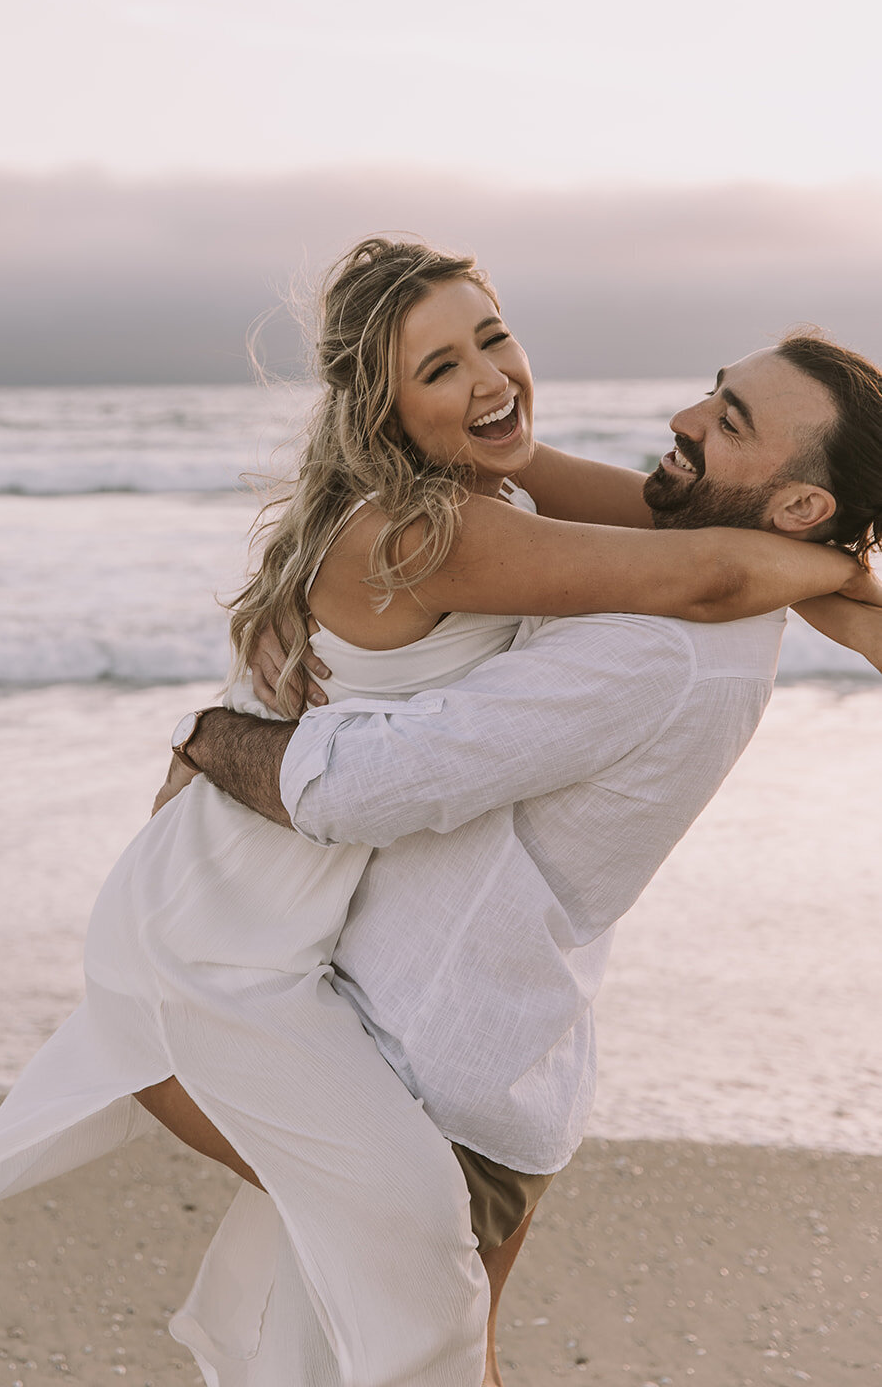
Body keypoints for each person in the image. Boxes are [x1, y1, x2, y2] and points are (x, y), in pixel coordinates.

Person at [0, 241, 875, 1387]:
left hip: (300, 926)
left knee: (396, 1307)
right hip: (222, 932)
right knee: (417, 1272)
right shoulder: (437, 530)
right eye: (437, 368)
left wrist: (835, 571)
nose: (489, 377)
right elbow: (713, 572)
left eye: (491, 337)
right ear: (384, 408)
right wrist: (206, 736)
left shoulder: (507, 498)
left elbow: (702, 549)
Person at [150, 327, 882, 1384]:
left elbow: (361, 790)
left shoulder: (663, 642)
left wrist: (208, 738)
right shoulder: (686, 580)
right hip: (487, 1066)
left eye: (728, 424)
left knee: (134, 1039)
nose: (682, 421)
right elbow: (506, 472)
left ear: (801, 504)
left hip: (425, 1080)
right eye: (709, 394)